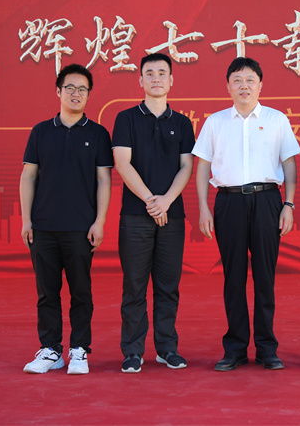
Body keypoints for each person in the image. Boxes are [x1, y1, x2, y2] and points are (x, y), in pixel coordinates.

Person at [193, 56, 300, 371]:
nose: (244, 86)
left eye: (250, 80)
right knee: (233, 277)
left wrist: (289, 204)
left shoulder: (277, 119)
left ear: (260, 85)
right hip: (228, 203)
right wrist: (203, 207)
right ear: (228, 86)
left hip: (268, 201)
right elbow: (203, 167)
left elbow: (289, 164)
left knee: (265, 277)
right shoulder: (215, 122)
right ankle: (236, 348)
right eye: (237, 80)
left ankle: (267, 348)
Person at [20, 63, 113, 375]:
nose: (76, 93)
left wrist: (99, 221)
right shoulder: (41, 132)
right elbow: (28, 176)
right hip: (43, 227)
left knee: (80, 292)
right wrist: (26, 220)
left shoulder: (98, 134)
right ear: (58, 91)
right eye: (70, 88)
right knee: (47, 293)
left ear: (88, 94)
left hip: (80, 228)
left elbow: (103, 180)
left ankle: (79, 350)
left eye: (82, 89)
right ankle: (50, 350)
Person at [111, 53, 195, 373]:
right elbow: (123, 163)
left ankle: (166, 348)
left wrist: (167, 201)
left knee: (167, 285)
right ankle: (133, 351)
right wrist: (151, 200)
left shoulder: (182, 123)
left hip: (172, 215)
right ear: (141, 80)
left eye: (162, 73)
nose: (156, 78)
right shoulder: (126, 119)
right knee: (134, 285)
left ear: (171, 80)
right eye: (150, 73)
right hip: (136, 215)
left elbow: (187, 166)